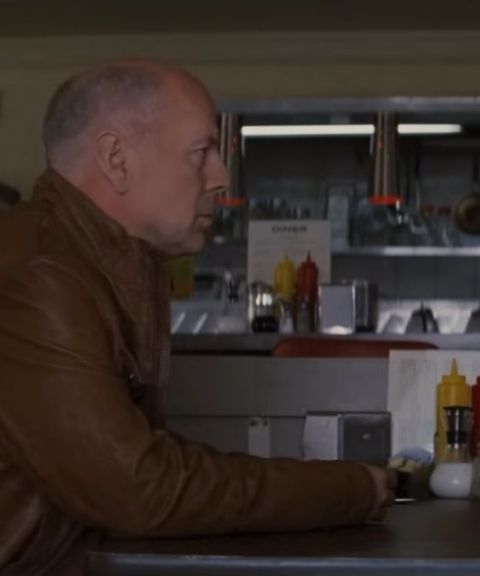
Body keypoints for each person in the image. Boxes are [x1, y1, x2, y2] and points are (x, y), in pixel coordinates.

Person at [0, 60, 395, 575]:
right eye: (201, 152)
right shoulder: (41, 276)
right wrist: (350, 489)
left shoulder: (91, 262)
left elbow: (134, 458)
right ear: (116, 159)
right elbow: (139, 488)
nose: (221, 177)